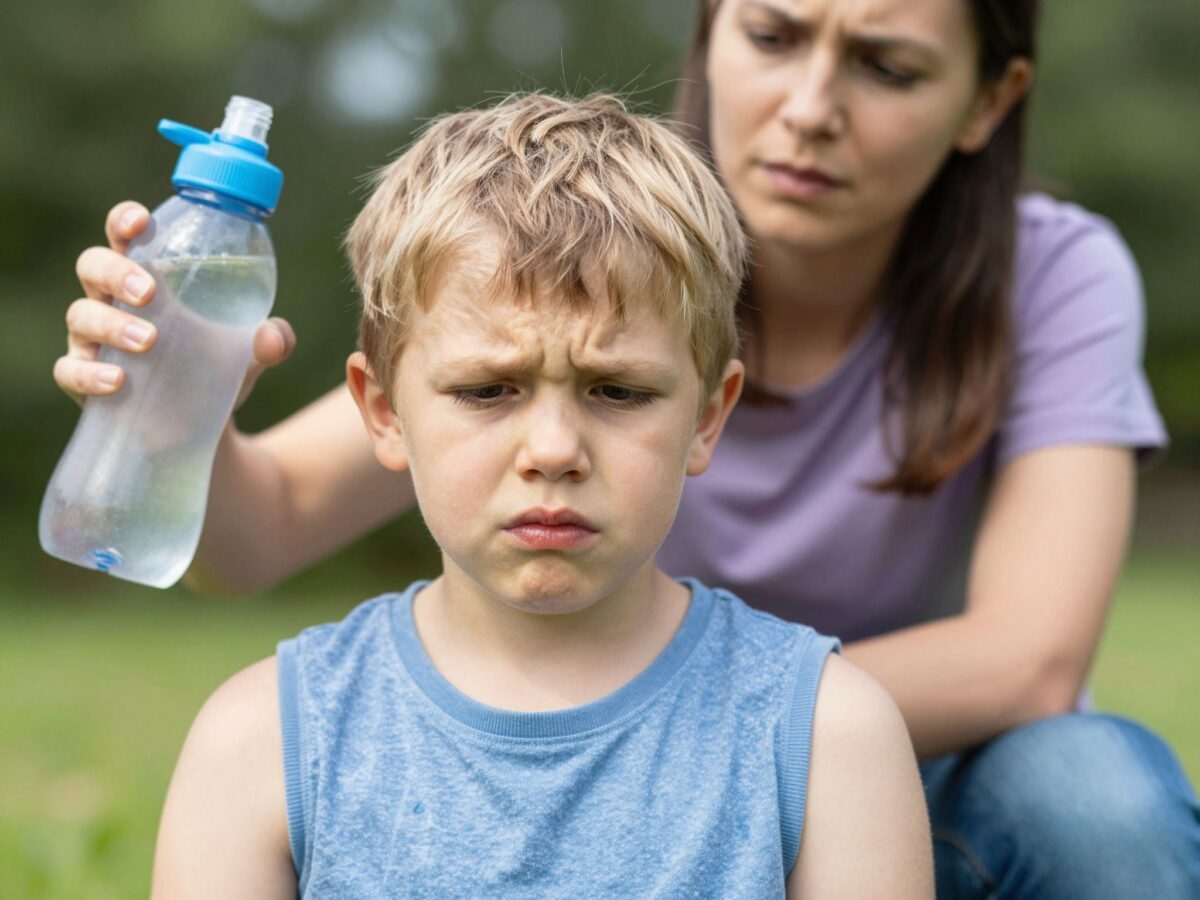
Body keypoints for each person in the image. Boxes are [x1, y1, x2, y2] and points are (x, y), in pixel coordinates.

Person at [63, 1, 1200, 896]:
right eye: (773, 33)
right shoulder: (568, 252)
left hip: (888, 791)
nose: (811, 106)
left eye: (887, 66)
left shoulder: (1048, 275)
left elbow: (1032, 659)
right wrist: (168, 417)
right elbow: (262, 529)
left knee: (1097, 799)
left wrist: (721, 719)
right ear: (710, 29)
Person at [147, 92, 933, 898]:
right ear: (383, 410)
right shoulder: (264, 744)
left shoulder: (828, 740)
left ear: (708, 415)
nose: (554, 451)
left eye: (618, 392)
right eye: (489, 390)